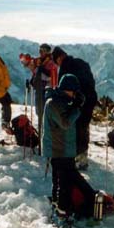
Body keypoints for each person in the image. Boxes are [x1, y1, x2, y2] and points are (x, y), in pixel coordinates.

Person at [42, 74, 96, 219]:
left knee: (60, 178)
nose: (74, 95)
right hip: (59, 149)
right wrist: (77, 107)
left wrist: (75, 106)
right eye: (74, 92)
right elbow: (65, 123)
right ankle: (63, 209)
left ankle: (58, 204)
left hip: (62, 148)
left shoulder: (61, 102)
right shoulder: (54, 103)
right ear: (68, 89)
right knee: (64, 181)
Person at [52, 46, 98, 170]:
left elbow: (64, 91)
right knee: (84, 128)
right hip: (90, 99)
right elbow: (91, 81)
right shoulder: (82, 62)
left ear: (59, 58)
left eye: (56, 61)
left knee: (75, 129)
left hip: (78, 101)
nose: (57, 64)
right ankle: (83, 158)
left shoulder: (65, 68)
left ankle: (76, 159)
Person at [20, 43, 58, 138]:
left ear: (47, 52)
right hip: (40, 90)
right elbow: (31, 65)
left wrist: (38, 71)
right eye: (39, 50)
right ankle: (43, 135)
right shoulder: (40, 61)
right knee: (39, 113)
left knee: (43, 113)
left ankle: (45, 136)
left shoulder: (51, 63)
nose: (40, 53)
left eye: (42, 51)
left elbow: (50, 78)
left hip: (46, 91)